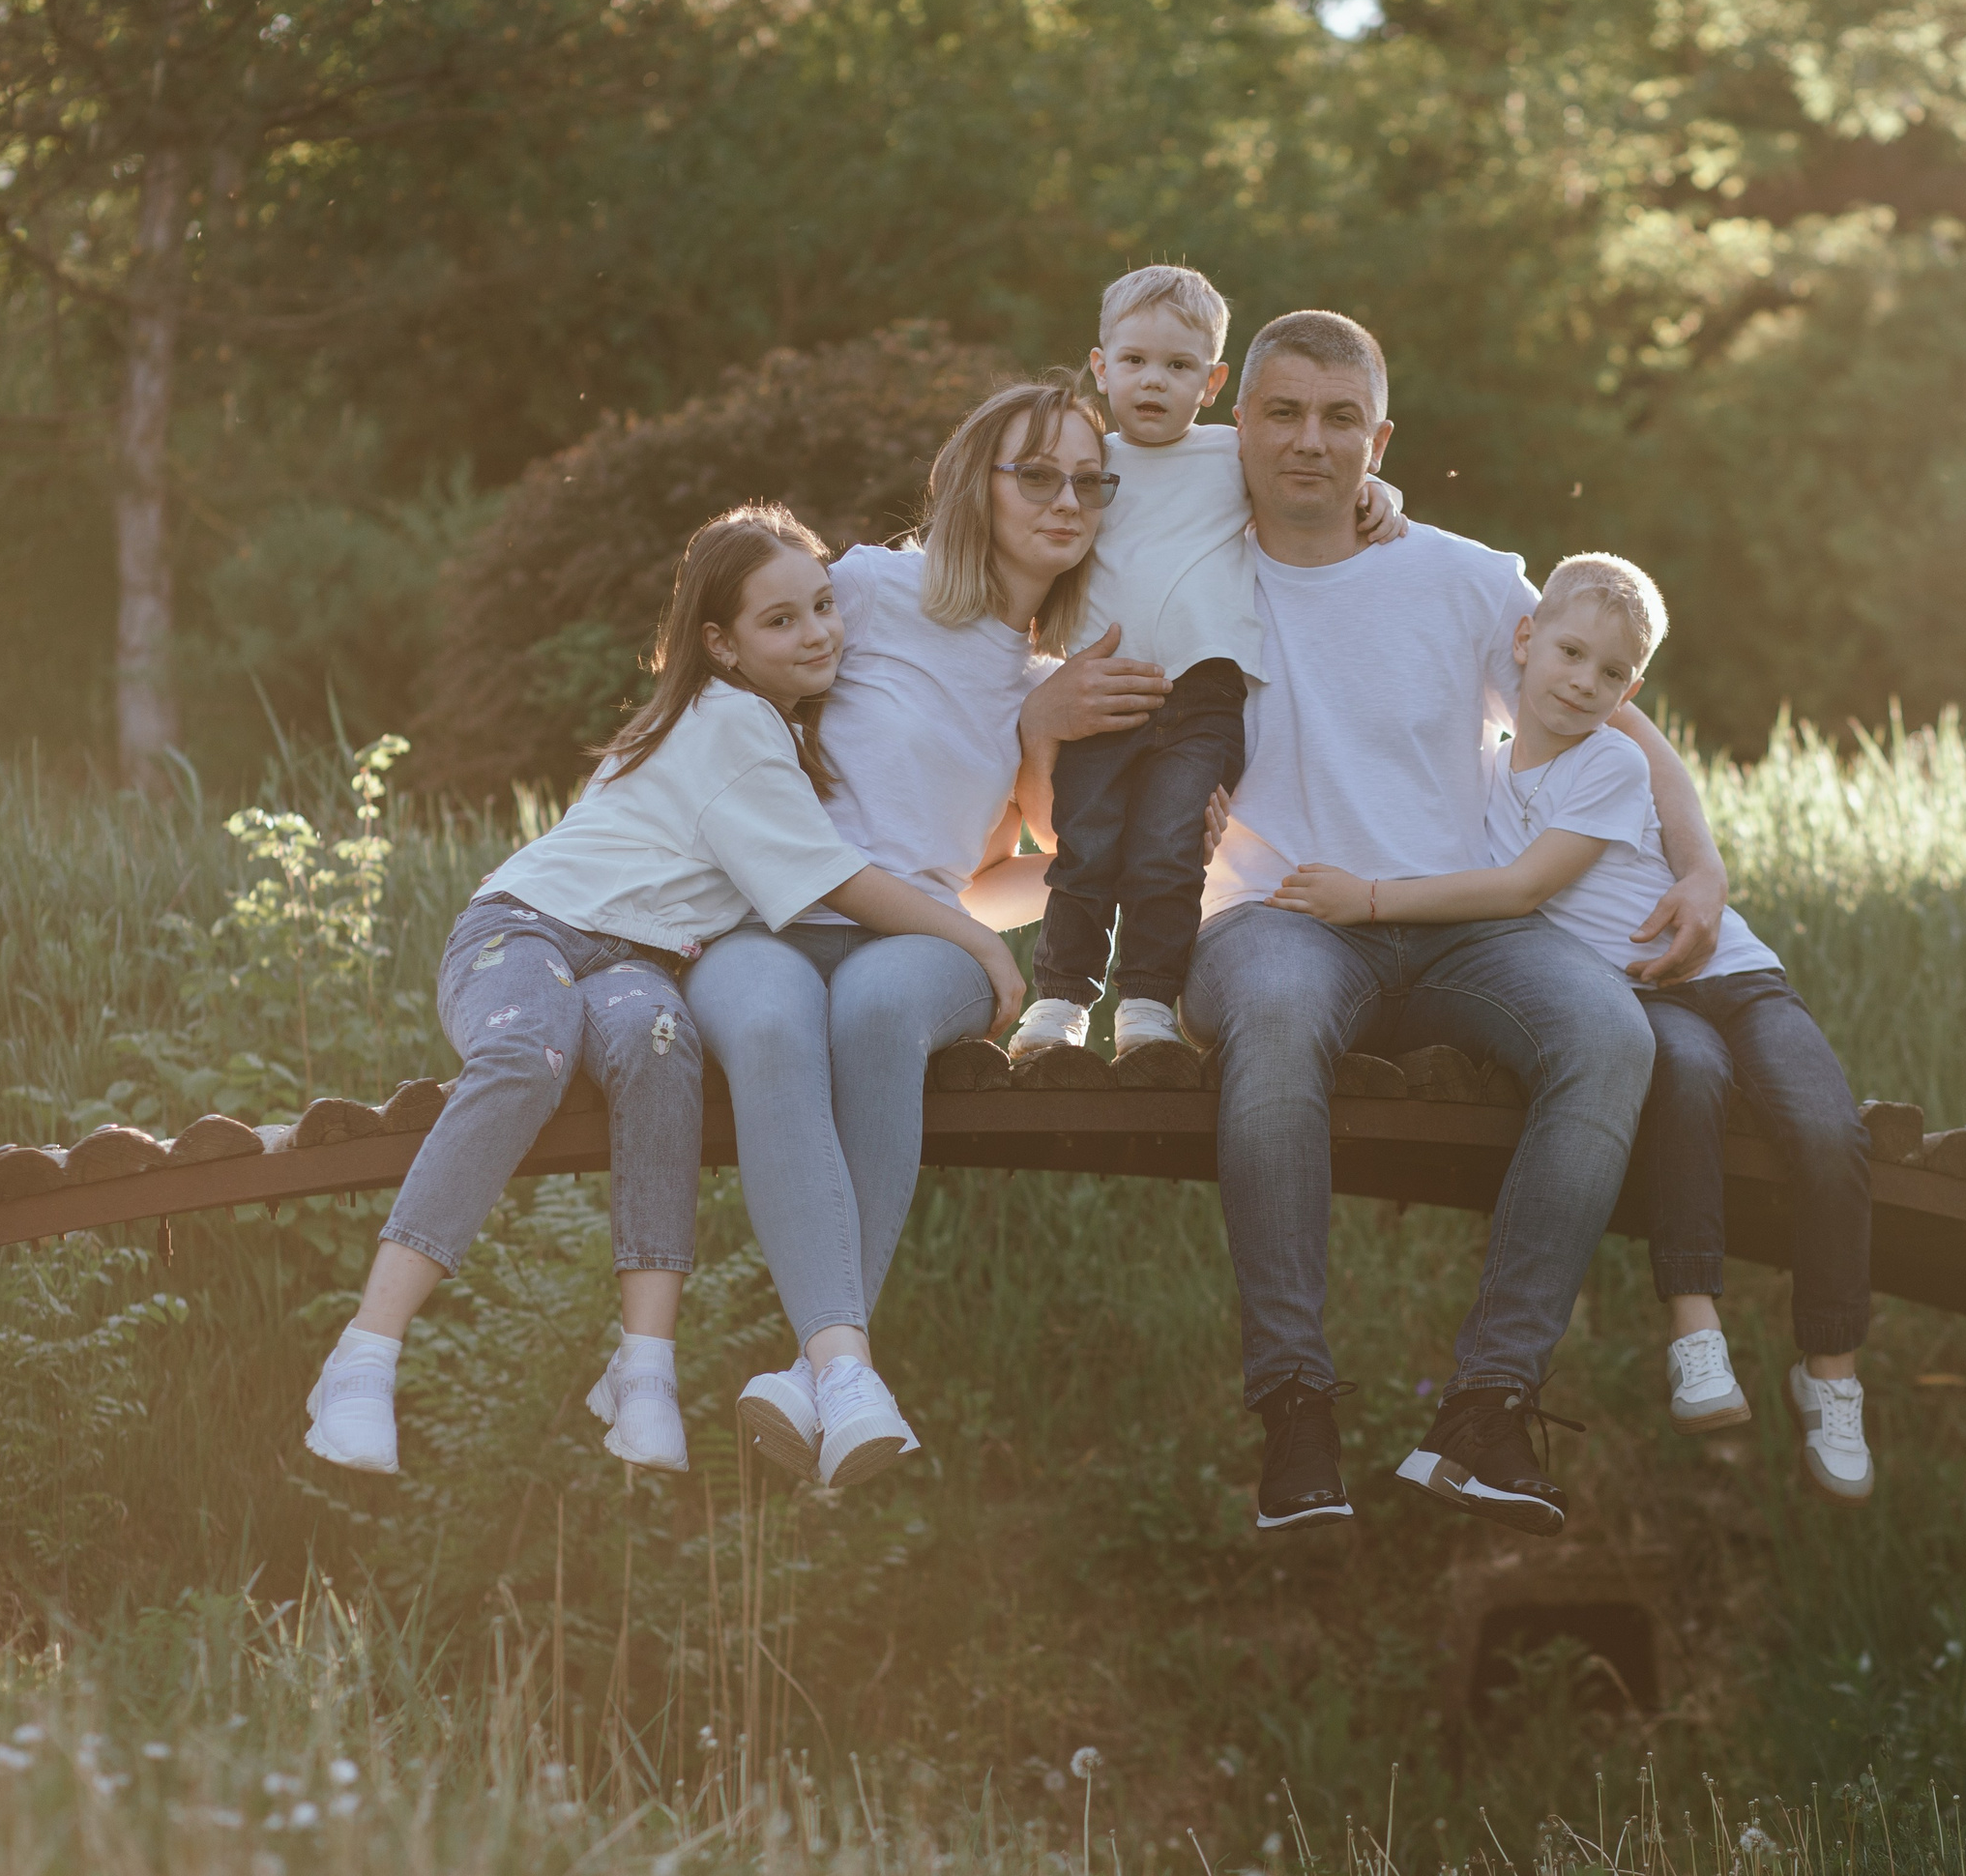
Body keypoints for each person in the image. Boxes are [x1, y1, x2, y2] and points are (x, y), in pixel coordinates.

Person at [302, 503, 1025, 1489]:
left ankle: (644, 1369)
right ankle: (365, 1354)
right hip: (526, 930)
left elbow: (861, 867)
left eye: (823, 606)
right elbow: (840, 885)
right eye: (781, 622)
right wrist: (981, 944)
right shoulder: (728, 724)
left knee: (657, 1047)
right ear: (721, 645)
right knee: (527, 1057)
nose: (817, 632)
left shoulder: (762, 728)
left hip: (637, 962)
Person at [1180, 309, 1731, 1539]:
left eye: (1339, 419)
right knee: (1271, 1014)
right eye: (1281, 413)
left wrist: (1699, 868)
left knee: (1609, 1037)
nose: (1309, 443)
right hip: (1276, 922)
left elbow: (1621, 724)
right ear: (1238, 426)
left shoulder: (1468, 579)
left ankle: (1486, 1410)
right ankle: (1293, 1405)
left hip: (1452, 922)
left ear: (1380, 440)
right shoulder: (1186, 563)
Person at [1271, 552, 1875, 1503]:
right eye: (1567, 653)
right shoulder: (1466, 780)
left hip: (1734, 978)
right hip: (1640, 1000)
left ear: (1630, 690)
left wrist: (1370, 899)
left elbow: (1521, 888)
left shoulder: (1611, 761)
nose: (1580, 682)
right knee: (1684, 1085)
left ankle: (1829, 1371)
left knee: (1825, 1130)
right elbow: (1382, 813)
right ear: (1524, 640)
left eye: (1607, 673)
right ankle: (1695, 1330)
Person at [688, 382, 1161, 1482]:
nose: (1067, 499)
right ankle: (837, 1379)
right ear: (964, 484)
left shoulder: (1059, 681)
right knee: (765, 1026)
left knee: (879, 1006)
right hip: (766, 918)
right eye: (1034, 473)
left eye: (1090, 480)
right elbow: (722, 697)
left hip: (918, 950)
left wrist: (1041, 738)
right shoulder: (860, 589)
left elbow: (1003, 875)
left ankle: (827, 1369)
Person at [1008, 264, 1401, 1063]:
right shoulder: (1090, 464)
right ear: (1100, 366)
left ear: (1215, 382)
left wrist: (1382, 494)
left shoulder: (1229, 455)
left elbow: (1313, 469)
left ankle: (1149, 1005)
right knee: (1085, 850)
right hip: (1105, 695)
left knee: (1167, 849)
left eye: (1180, 366)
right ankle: (1060, 1004)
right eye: (1136, 362)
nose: (1155, 381)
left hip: (1203, 696)